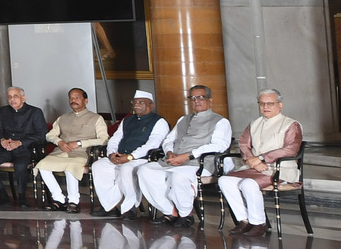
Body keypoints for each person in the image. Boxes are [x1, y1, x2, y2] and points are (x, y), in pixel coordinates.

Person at [139, 85, 231, 227]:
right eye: (193, 98)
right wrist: (170, 152)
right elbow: (169, 140)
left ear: (210, 101)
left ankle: (185, 214)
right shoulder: (183, 119)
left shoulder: (220, 121)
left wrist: (188, 156)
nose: (197, 101)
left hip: (199, 163)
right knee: (144, 171)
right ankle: (170, 211)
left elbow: (220, 145)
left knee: (178, 176)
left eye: (201, 97)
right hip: (172, 160)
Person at [219, 88, 303, 237]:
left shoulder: (290, 124)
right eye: (262, 103)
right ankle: (244, 220)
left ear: (280, 105)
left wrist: (261, 158)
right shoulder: (254, 123)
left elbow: (291, 149)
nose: (265, 107)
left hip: (280, 169)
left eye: (270, 103)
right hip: (254, 168)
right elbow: (244, 144)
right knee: (224, 180)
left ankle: (258, 223)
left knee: (248, 184)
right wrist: (253, 161)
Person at [90, 90, 169, 218]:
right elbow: (115, 138)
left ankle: (130, 207)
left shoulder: (159, 122)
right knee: (98, 166)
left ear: (151, 105)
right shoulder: (127, 120)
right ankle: (109, 206)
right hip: (120, 156)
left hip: (142, 159)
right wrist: (111, 154)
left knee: (126, 169)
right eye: (135, 102)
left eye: (141, 102)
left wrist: (131, 157)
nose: (137, 105)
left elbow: (153, 144)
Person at [37, 88, 108, 213]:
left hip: (82, 153)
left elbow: (103, 140)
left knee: (71, 167)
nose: (73, 101)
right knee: (42, 165)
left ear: (85, 101)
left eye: (77, 98)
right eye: (71, 98)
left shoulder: (96, 118)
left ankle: (73, 202)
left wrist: (80, 143)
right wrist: (59, 142)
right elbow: (49, 135)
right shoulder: (62, 118)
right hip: (61, 152)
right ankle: (59, 199)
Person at [0, 87, 46, 207]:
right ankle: (2, 195)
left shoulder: (35, 112)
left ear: (23, 98)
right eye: (10, 97)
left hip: (26, 149)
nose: (12, 99)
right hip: (6, 147)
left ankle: (22, 197)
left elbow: (41, 135)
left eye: (15, 96)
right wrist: (2, 140)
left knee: (21, 165)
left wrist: (20, 142)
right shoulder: (3, 111)